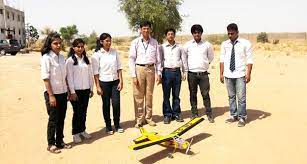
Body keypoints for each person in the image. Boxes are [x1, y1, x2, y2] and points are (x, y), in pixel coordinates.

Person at [41, 32, 72, 154]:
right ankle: (51, 144)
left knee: (62, 118)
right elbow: (46, 78)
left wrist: (68, 90)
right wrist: (51, 95)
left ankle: (60, 141)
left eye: (59, 43)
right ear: (50, 44)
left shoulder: (62, 58)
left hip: (63, 93)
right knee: (53, 119)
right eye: (55, 43)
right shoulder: (46, 58)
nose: (58, 45)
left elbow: (64, 76)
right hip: (52, 94)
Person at [129, 21, 162, 128]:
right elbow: (131, 59)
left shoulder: (155, 42)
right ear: (140, 29)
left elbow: (158, 60)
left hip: (151, 69)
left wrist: (159, 73)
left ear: (150, 29)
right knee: (138, 95)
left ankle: (148, 118)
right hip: (139, 69)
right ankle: (139, 119)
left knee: (149, 95)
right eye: (144, 28)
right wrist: (133, 75)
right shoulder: (135, 42)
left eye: (148, 28)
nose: (146, 30)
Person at [220, 23, 253, 127]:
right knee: (231, 96)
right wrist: (221, 73)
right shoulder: (224, 44)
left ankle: (242, 117)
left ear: (237, 32)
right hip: (228, 74)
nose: (230, 36)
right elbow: (222, 60)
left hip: (240, 74)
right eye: (228, 34)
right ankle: (233, 115)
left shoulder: (245, 43)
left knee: (241, 97)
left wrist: (248, 74)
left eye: (232, 33)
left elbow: (249, 60)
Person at [92, 33, 124, 134]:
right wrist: (97, 86)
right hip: (104, 83)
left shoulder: (115, 52)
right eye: (106, 41)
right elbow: (96, 73)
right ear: (101, 42)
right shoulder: (97, 55)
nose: (109, 43)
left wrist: (121, 81)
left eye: (110, 40)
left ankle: (117, 124)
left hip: (115, 82)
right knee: (106, 105)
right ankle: (108, 126)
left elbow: (119, 67)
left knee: (116, 104)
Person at [183, 24, 215, 123]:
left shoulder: (207, 45)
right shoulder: (187, 45)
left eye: (199, 32)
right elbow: (184, 58)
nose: (197, 34)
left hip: (204, 74)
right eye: (195, 32)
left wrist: (204, 65)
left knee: (205, 94)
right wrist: (186, 70)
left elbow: (210, 57)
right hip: (191, 74)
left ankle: (209, 114)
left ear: (201, 33)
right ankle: (194, 113)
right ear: (192, 34)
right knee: (193, 94)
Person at [66, 38, 94, 143]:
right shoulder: (70, 61)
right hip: (76, 91)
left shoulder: (87, 60)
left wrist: (91, 88)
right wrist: (72, 92)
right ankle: (75, 133)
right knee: (77, 112)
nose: (80, 48)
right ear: (73, 48)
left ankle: (82, 130)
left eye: (82, 46)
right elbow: (69, 78)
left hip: (86, 90)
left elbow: (90, 75)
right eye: (78, 46)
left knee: (84, 112)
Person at [160, 28, 187, 124]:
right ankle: (167, 115)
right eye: (168, 34)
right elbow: (160, 61)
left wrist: (184, 72)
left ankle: (176, 113)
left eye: (172, 34)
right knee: (166, 95)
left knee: (176, 95)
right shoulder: (162, 47)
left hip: (177, 73)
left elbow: (183, 60)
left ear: (174, 35)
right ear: (166, 36)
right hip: (166, 73)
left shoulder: (180, 47)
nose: (170, 35)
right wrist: (159, 73)